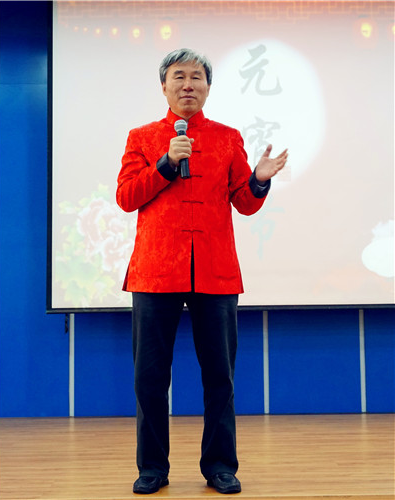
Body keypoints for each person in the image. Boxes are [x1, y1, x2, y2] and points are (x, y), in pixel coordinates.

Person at [116, 48, 288, 495]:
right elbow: (127, 197)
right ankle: (152, 468)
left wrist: (259, 179)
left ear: (209, 87)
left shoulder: (228, 138)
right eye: (179, 76)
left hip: (214, 271)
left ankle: (220, 466)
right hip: (156, 271)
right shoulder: (142, 137)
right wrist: (166, 164)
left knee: (220, 377)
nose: (188, 84)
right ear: (164, 86)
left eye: (197, 77)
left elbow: (245, 203)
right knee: (150, 378)